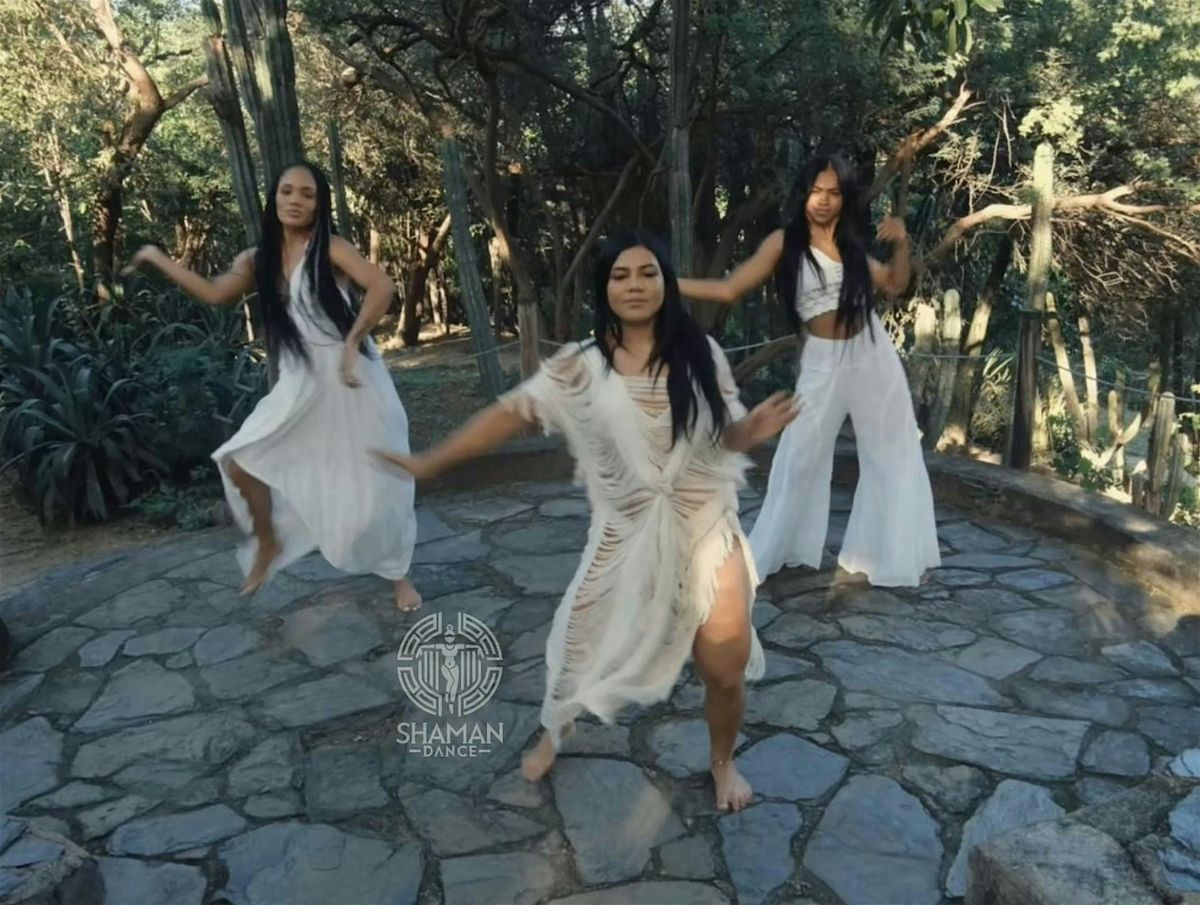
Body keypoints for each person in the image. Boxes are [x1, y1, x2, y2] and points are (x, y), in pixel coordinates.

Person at [374, 229, 798, 811]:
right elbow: (510, 414)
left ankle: (723, 763)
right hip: (625, 531)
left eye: (648, 273)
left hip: (705, 526)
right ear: (605, 289)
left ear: (666, 283)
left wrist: (752, 431)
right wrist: (434, 460)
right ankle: (557, 727)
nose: (635, 285)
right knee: (580, 640)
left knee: (726, 666)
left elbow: (724, 437)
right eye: (620, 276)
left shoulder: (702, 354)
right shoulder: (581, 365)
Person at [123, 161, 422, 610]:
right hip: (301, 384)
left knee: (379, 483)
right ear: (274, 198)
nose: (295, 200)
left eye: (307, 194)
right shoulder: (256, 259)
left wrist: (353, 340)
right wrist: (156, 258)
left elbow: (381, 285)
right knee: (240, 460)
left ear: (319, 204)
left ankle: (399, 574)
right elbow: (215, 293)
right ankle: (268, 542)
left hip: (353, 378)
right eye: (287, 191)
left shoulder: (330, 247)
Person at [678, 153, 940, 587]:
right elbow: (729, 289)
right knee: (799, 454)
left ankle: (891, 557)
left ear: (844, 199)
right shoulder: (784, 243)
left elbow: (896, 284)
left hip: (872, 354)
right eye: (816, 191)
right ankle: (779, 549)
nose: (823, 200)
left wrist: (901, 242)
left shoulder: (852, 250)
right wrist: (667, 284)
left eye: (833, 193)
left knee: (891, 452)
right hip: (822, 360)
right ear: (803, 195)